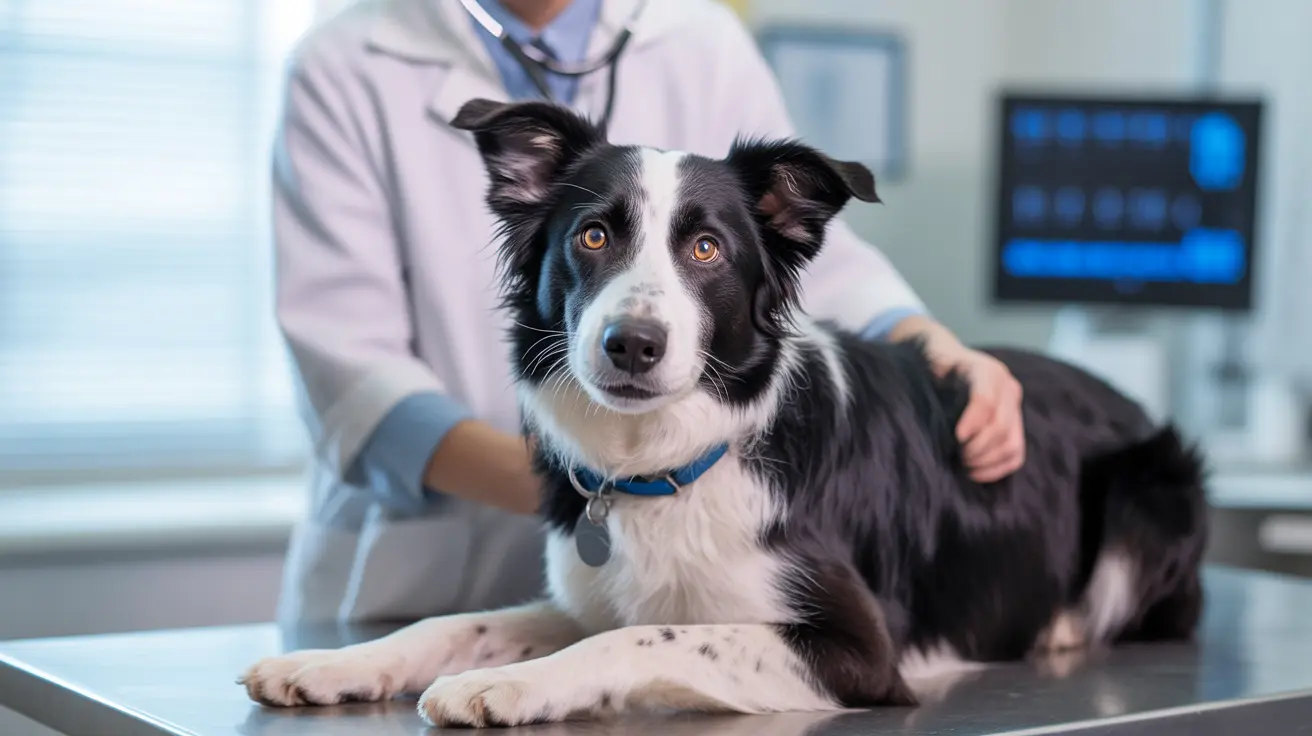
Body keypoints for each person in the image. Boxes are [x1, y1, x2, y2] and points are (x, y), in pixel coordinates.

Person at [271, 0, 1026, 625]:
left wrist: (932, 347)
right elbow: (354, 373)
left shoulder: (699, 37)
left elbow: (791, 263)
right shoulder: (344, 63)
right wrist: (607, 487)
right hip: (422, 584)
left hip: (669, 572)